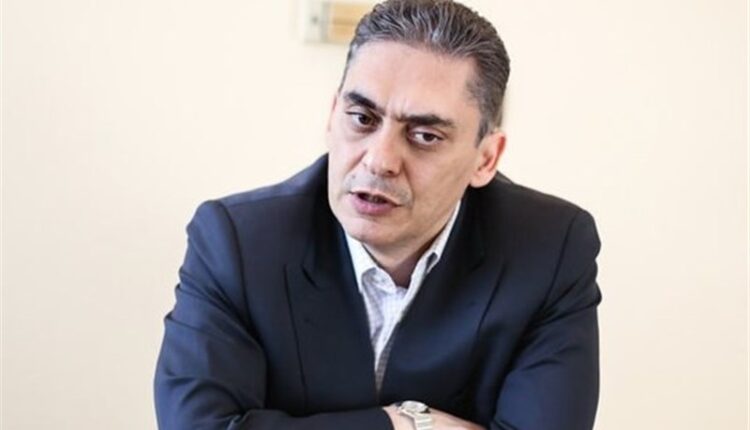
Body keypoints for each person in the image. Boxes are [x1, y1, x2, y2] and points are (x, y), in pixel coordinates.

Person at [154, 1, 602, 429]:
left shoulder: (551, 249)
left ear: (486, 158)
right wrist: (402, 424)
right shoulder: (237, 243)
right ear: (333, 116)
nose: (379, 160)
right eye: (363, 119)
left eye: (425, 136)